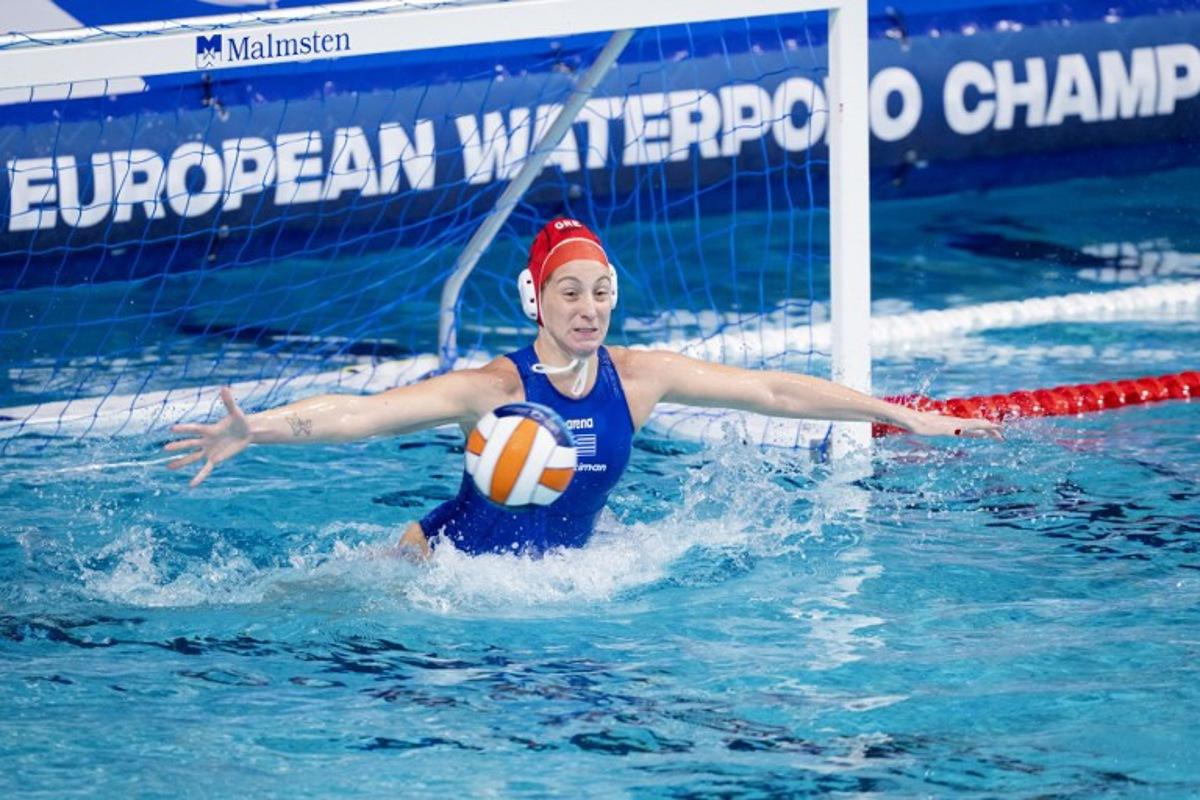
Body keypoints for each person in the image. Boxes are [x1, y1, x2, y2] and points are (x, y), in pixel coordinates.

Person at [165, 218, 1001, 557]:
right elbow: (363, 414)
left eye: (601, 291)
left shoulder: (637, 377)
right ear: (537, 299)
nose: (589, 308)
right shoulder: (497, 383)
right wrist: (257, 431)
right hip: (438, 573)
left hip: (567, 578)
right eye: (570, 292)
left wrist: (899, 413)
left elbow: (773, 393)